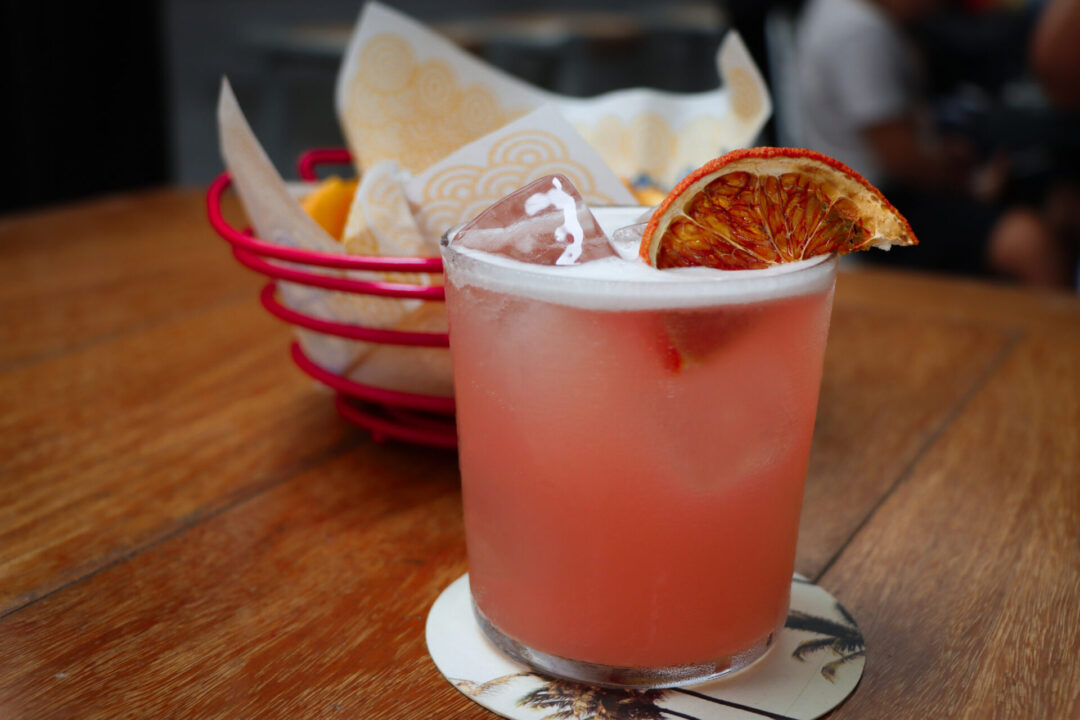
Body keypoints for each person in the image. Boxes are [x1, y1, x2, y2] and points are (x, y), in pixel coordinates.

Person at [796, 0, 1070, 286]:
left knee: (1060, 205)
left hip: (874, 194)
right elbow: (902, 160)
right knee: (1031, 245)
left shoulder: (842, 12)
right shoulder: (858, 32)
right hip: (874, 211)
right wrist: (971, 183)